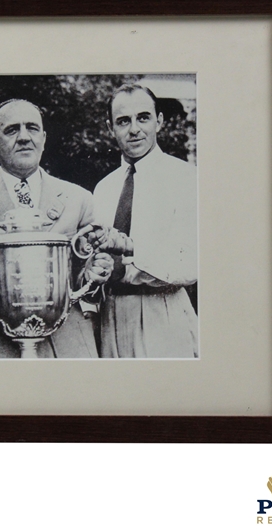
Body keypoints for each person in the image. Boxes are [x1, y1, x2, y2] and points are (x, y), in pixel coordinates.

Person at [0, 99, 112, 358]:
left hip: (67, 348)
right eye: (11, 130)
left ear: (43, 138)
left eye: (31, 128)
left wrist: (95, 274)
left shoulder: (80, 199)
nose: (23, 137)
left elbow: (85, 279)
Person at [88, 84, 198, 358]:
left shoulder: (186, 179)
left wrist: (130, 250)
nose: (134, 129)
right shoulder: (103, 188)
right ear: (110, 127)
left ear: (159, 121)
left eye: (143, 117)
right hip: (109, 317)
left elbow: (190, 265)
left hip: (162, 313)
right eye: (123, 121)